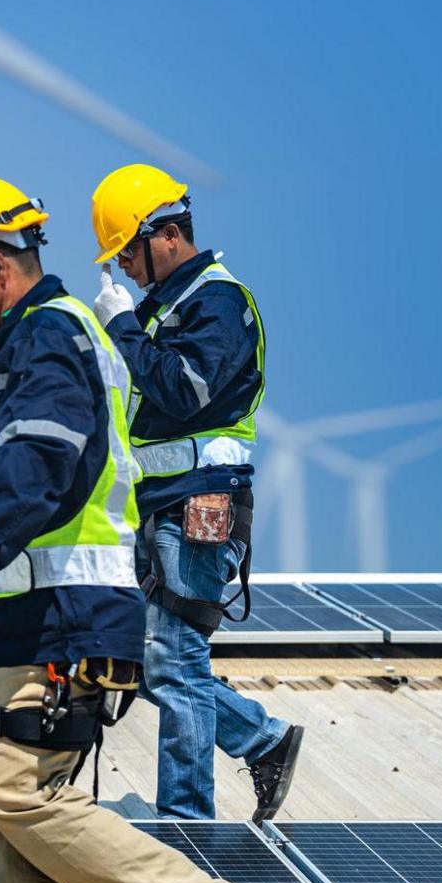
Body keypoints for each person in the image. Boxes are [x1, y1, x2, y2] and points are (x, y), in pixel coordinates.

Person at [0, 177, 250, 883]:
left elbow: (38, 463)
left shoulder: (50, 340)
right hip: (25, 621)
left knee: (25, 795)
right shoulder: (34, 341)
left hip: (65, 618)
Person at [90, 164, 303, 821]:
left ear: (170, 235)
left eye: (128, 247)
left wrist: (123, 330)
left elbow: (184, 389)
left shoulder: (217, 301)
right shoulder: (166, 309)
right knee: (149, 662)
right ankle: (262, 739)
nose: (123, 264)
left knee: (175, 664)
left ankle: (186, 825)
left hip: (203, 502)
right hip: (164, 504)